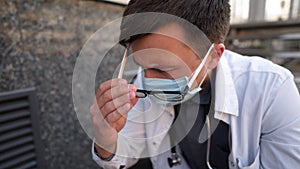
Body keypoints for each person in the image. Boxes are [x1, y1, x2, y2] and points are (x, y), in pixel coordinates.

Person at [89, 0, 300, 168]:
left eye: (163, 69)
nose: (149, 80)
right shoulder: (142, 82)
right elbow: (124, 156)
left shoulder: (272, 90)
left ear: (213, 56)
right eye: (143, 66)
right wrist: (107, 137)